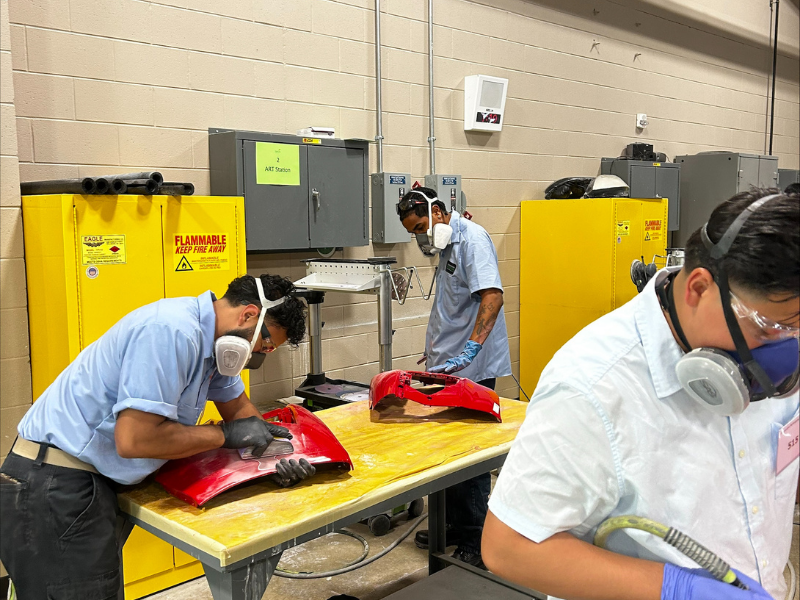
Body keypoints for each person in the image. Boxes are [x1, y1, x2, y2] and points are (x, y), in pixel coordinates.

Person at [482, 189, 799, 600]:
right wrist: (673, 589)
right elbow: (509, 548)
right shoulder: (593, 384)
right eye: (767, 328)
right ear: (699, 289)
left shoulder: (776, 351)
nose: (784, 350)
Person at [0, 274, 317, 599]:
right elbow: (135, 441)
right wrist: (223, 435)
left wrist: (278, 457)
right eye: (264, 344)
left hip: (83, 480)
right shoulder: (171, 332)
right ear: (249, 315)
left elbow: (238, 409)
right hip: (54, 484)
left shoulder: (214, 347)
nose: (259, 355)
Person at [397, 186, 512, 568]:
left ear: (439, 213)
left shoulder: (472, 239)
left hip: (471, 369)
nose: (419, 236)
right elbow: (453, 302)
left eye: (420, 226)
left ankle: (476, 541)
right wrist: (437, 349)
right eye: (413, 231)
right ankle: (451, 525)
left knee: (468, 458)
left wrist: (470, 349)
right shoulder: (449, 244)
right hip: (448, 364)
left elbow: (491, 296)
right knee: (447, 453)